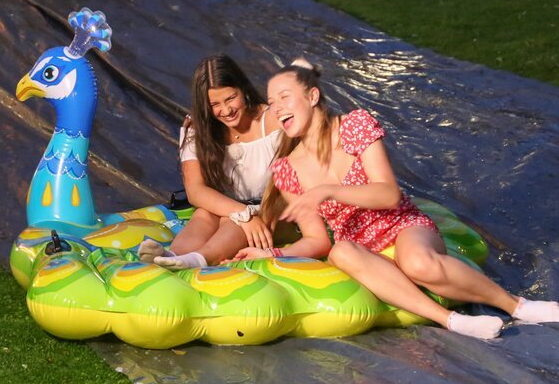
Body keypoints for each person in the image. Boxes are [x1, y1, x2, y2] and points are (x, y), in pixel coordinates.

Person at [230, 58, 559, 339]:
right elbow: (317, 240)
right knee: (340, 251)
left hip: (402, 226)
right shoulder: (287, 169)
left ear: (312, 96)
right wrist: (271, 253)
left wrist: (327, 191)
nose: (276, 107)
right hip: (362, 248)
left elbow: (388, 194)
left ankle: (517, 306)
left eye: (284, 97)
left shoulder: (354, 126)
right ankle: (452, 321)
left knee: (417, 262)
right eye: (271, 102)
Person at [137, 54, 283, 269]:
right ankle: (172, 255)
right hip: (230, 207)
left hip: (272, 209)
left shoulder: (271, 120)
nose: (226, 110)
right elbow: (195, 191)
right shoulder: (197, 127)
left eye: (231, 98)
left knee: (231, 221)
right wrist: (242, 213)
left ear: (243, 89)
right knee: (204, 214)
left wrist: (246, 216)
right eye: (215, 104)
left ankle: (198, 259)